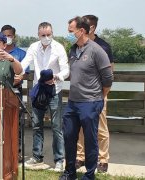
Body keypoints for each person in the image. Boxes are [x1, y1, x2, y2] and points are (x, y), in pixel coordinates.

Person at [60, 16, 113, 180]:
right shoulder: (73, 49)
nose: (68, 34)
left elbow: (108, 79)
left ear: (81, 30)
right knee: (69, 137)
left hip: (90, 103)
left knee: (91, 140)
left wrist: (99, 98)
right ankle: (70, 172)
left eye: (71, 31)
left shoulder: (97, 50)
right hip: (72, 103)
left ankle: (89, 175)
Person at [21, 22, 69, 172]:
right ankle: (37, 156)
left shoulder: (59, 48)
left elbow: (66, 69)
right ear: (38, 35)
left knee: (57, 127)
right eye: (43, 35)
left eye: (49, 34)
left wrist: (57, 76)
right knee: (36, 124)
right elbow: (25, 63)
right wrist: (18, 70)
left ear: (52, 33)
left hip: (54, 89)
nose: (46, 37)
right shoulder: (33, 47)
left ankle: (59, 159)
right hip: (38, 90)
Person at [75, 15, 114, 173]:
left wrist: (103, 94)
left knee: (101, 128)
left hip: (99, 93)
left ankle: (103, 159)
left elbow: (110, 73)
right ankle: (80, 156)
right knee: (81, 127)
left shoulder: (104, 47)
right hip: (81, 94)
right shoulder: (78, 45)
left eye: (82, 27)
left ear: (92, 28)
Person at [1, 24, 27, 161]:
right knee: (0, 122)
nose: (7, 38)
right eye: (4, 35)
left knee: (16, 123)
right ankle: (1, 150)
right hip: (0, 92)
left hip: (15, 92)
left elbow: (21, 74)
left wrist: (14, 78)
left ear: (14, 36)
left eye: (9, 35)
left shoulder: (21, 53)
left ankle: (17, 152)